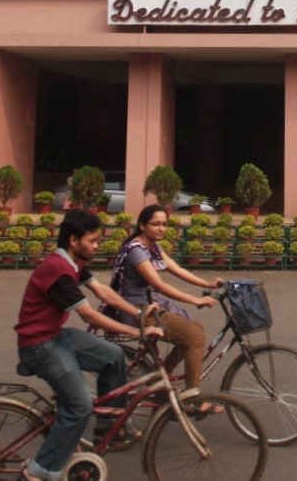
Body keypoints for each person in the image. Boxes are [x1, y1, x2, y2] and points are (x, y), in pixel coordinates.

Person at [15, 209, 161, 481]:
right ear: (74, 240)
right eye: (92, 241)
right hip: (39, 345)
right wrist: (136, 331)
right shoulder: (57, 271)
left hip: (55, 335)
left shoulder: (73, 262)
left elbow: (102, 291)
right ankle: (37, 472)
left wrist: (138, 314)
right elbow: (89, 315)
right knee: (80, 407)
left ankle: (110, 426)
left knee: (113, 355)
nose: (96, 246)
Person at [112, 205, 225, 414]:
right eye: (156, 224)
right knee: (195, 337)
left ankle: (160, 380)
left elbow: (177, 269)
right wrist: (195, 300)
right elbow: (159, 285)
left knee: (194, 328)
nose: (161, 228)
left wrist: (207, 284)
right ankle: (192, 399)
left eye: (164, 224)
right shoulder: (137, 250)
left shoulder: (152, 247)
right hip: (137, 310)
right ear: (142, 225)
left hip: (150, 304)